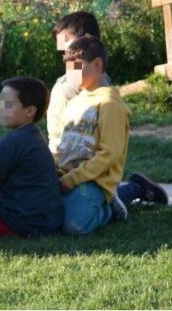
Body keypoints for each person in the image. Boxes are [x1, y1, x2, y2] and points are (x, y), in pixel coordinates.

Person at [48, 12, 168, 212]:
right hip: (67, 165)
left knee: (84, 207)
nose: (63, 51)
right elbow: (57, 137)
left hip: (93, 170)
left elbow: (108, 146)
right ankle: (134, 189)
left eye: (67, 42)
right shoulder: (64, 89)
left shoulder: (102, 88)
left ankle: (128, 193)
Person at [56, 35, 130, 235]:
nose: (69, 75)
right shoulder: (73, 102)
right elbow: (63, 145)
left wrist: (72, 180)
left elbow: (110, 154)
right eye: (67, 68)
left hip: (92, 181)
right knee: (47, 219)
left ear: (97, 65)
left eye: (76, 67)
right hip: (66, 177)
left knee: (74, 226)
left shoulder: (109, 104)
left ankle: (110, 209)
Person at [0, 77, 64, 237]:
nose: (0, 108)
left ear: (30, 111)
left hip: (22, 224)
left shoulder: (13, 141)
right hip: (48, 221)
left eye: (7, 104)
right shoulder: (35, 136)